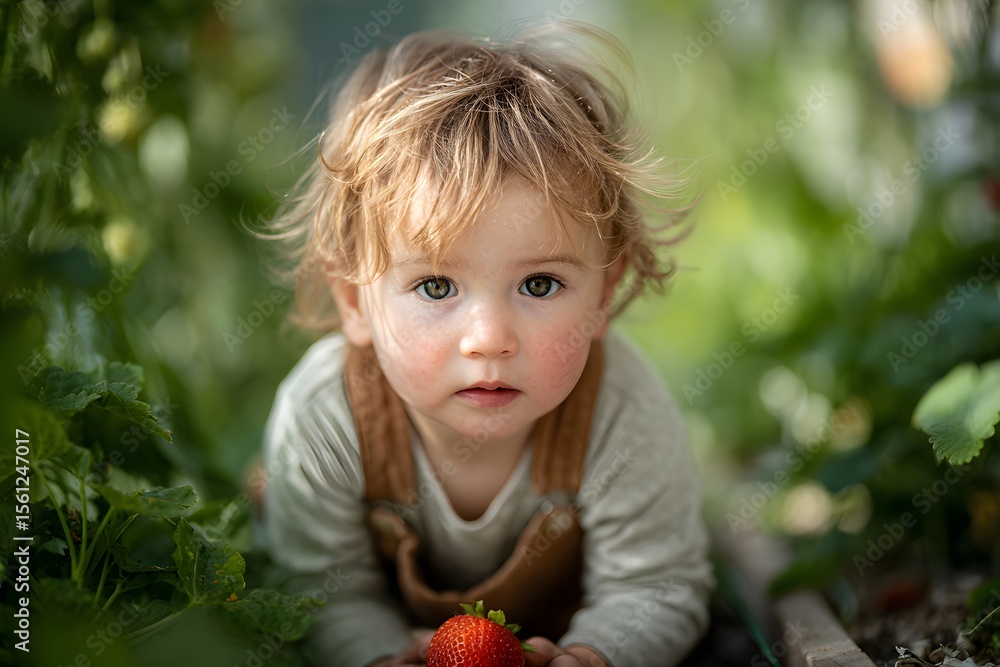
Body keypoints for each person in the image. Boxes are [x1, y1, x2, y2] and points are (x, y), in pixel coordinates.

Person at [259, 20, 712, 667]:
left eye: (539, 282)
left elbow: (656, 584)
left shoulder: (620, 411)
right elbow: (321, 592)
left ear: (604, 295)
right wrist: (379, 654)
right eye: (438, 285)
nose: (490, 338)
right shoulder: (324, 415)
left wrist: (594, 654)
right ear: (356, 301)